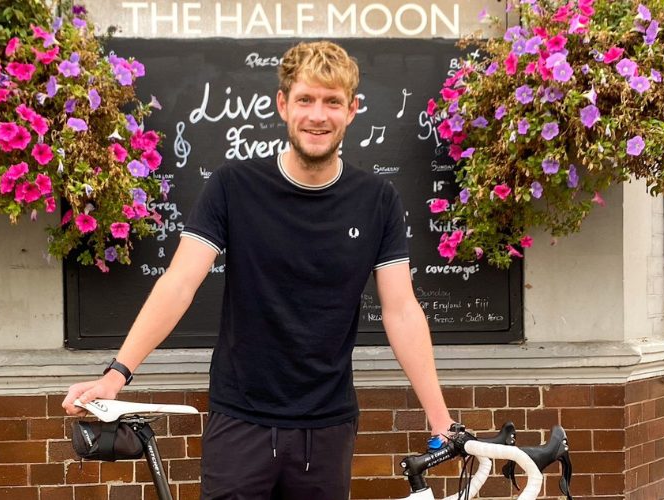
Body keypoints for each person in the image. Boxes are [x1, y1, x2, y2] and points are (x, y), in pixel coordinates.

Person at [62, 40, 454, 499]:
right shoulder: (233, 186)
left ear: (352, 110)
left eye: (332, 102)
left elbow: (402, 310)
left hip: (326, 426)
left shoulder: (378, 200)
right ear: (283, 105)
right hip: (240, 420)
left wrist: (439, 417)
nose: (318, 115)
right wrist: (117, 373)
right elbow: (180, 283)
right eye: (306, 99)